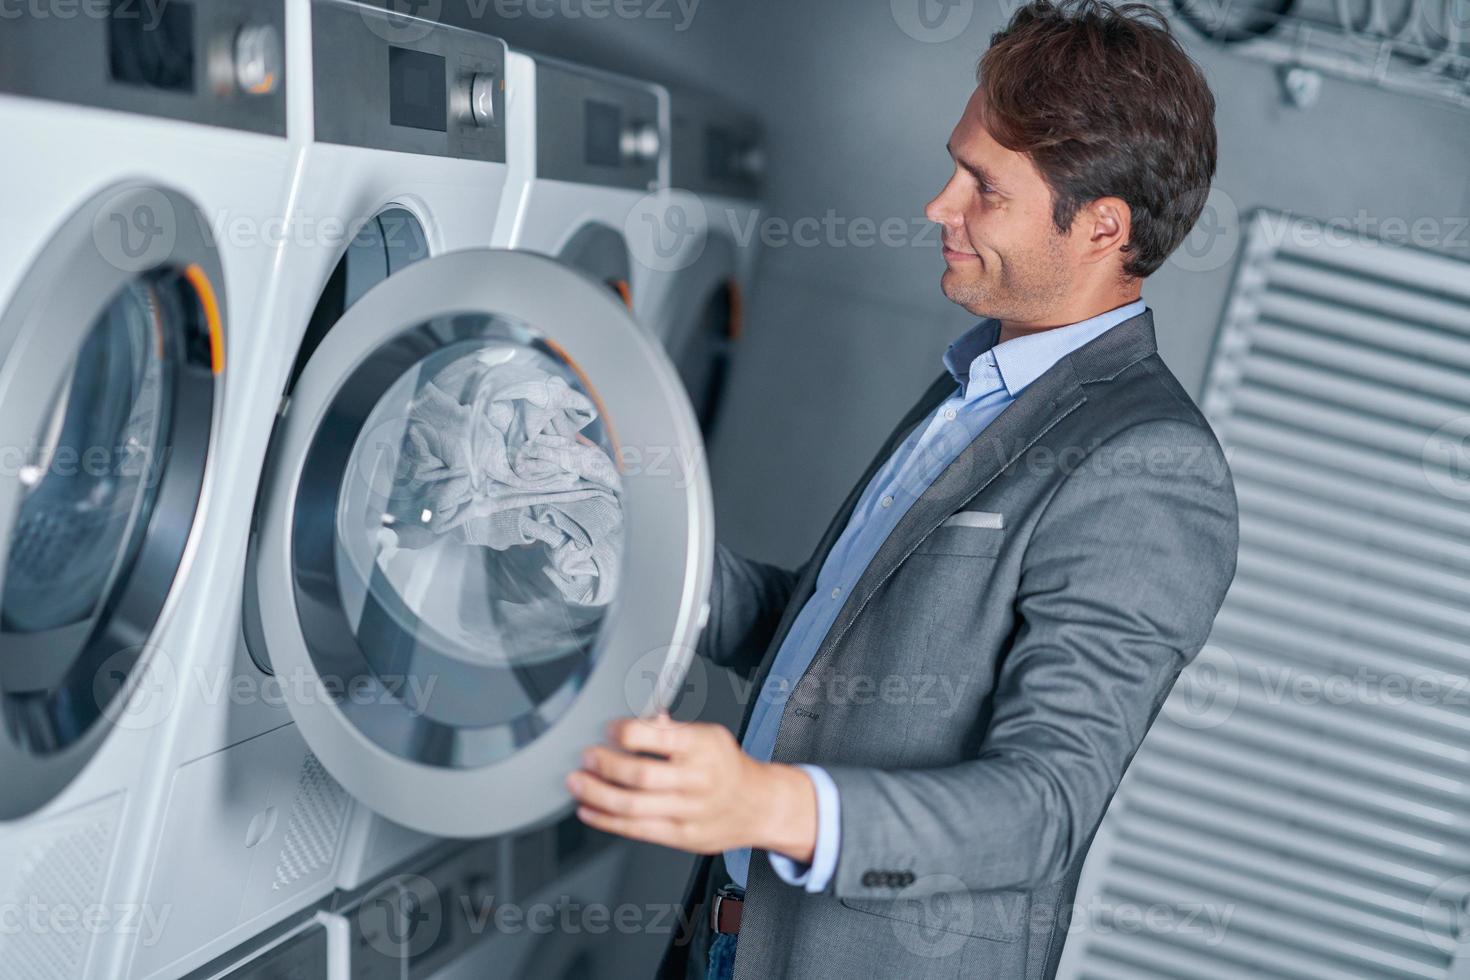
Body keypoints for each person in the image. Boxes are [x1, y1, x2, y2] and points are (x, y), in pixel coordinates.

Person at [566, 1, 1239, 976]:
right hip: (727, 932)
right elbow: (826, 637)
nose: (939, 204)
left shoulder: (1149, 466)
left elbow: (1040, 806)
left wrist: (768, 803)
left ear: (1101, 227)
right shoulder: (984, 381)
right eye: (954, 165)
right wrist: (618, 540)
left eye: (984, 187)